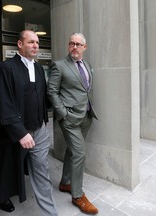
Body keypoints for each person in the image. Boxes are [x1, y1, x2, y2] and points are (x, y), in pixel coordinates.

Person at [0, 30, 58, 216]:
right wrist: (19, 132)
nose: (35, 46)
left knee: (42, 170)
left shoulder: (40, 68)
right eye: (31, 42)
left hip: (39, 129)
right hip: (14, 132)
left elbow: (40, 97)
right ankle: (2, 197)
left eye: (37, 43)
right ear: (19, 44)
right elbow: (2, 102)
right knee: (6, 167)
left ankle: (50, 213)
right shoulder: (4, 68)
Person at [47, 33, 98, 215]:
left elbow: (86, 89)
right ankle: (77, 195)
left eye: (78, 44)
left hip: (86, 116)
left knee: (72, 151)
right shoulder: (59, 65)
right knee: (79, 153)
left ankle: (65, 182)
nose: (74, 47)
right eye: (71, 43)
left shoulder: (87, 65)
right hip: (69, 118)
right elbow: (52, 92)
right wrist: (63, 114)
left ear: (85, 47)